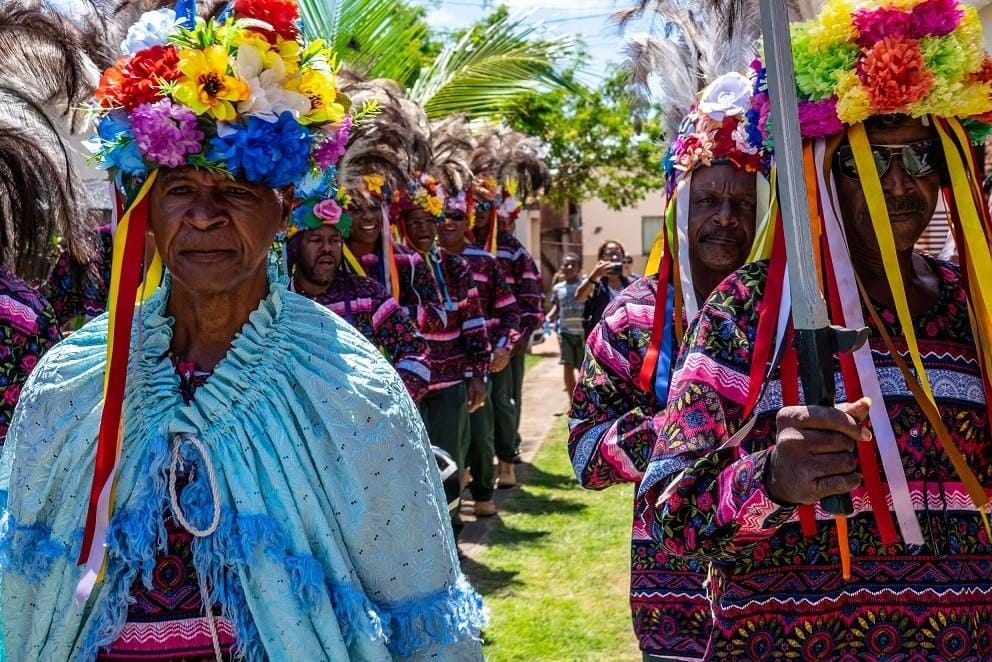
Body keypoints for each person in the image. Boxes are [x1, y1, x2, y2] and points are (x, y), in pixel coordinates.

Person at [0, 4, 485, 659]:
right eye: (178, 189)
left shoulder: (351, 389)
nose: (204, 216)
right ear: (144, 205)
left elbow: (419, 609)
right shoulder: (72, 382)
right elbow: (22, 599)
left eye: (236, 189)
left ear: (284, 207)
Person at [638, 2, 992, 657]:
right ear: (822, 170)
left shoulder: (975, 307)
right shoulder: (746, 313)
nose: (898, 186)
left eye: (919, 159)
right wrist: (771, 479)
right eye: (869, 162)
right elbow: (668, 510)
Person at [569, 68, 771, 660]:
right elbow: (585, 454)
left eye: (743, 203)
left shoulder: (791, 313)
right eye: (707, 200)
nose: (726, 217)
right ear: (677, 207)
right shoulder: (632, 317)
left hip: (779, 597)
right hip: (673, 600)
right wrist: (688, 425)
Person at [398, 173, 491, 539]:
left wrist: (478, 373)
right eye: (413, 222)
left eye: (428, 221)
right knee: (410, 463)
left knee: (450, 460)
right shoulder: (393, 269)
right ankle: (422, 539)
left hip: (451, 383)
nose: (422, 228)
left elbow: (473, 322)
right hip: (407, 387)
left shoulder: (455, 267)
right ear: (401, 225)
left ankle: (452, 536)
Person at [287, 173, 431, 403]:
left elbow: (415, 349)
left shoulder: (366, 294)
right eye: (315, 240)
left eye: (334, 240)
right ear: (295, 248)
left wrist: (387, 402)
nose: (327, 248)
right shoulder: (279, 301)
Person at [438, 186, 522, 517]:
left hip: (478, 362)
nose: (449, 222)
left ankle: (484, 492)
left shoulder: (485, 262)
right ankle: (450, 508)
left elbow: (510, 311)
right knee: (447, 441)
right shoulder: (417, 262)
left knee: (481, 430)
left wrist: (503, 347)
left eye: (457, 216)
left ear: (468, 220)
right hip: (438, 366)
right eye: (442, 215)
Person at [470, 178, 545, 488]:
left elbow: (530, 294)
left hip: (505, 340)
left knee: (502, 401)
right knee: (475, 405)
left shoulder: (511, 248)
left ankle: (506, 460)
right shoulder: (457, 244)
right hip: (470, 344)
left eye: (485, 205)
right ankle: (474, 465)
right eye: (473, 205)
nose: (478, 211)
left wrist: (519, 337)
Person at [576, 240, 633, 338]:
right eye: (610, 254)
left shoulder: (631, 284)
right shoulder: (595, 283)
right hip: (601, 340)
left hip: (626, 340)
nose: (614, 257)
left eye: (618, 253)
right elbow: (579, 298)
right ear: (601, 259)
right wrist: (594, 275)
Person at [548, 252, 585, 399]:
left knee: (583, 368)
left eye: (572, 264)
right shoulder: (558, 288)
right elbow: (557, 307)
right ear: (561, 267)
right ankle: (572, 401)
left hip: (583, 334)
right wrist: (548, 317)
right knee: (567, 365)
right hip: (565, 333)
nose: (569, 267)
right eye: (566, 264)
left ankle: (584, 400)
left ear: (579, 268)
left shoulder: (585, 285)